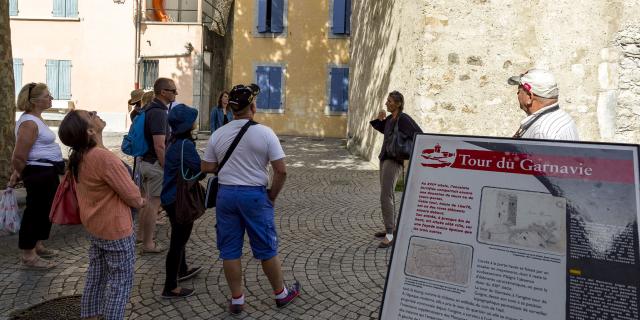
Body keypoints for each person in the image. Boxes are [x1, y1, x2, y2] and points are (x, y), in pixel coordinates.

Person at [202, 84, 300, 315]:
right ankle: (280, 294)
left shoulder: (219, 133)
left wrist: (229, 168)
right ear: (253, 106)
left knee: (229, 250)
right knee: (266, 248)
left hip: (226, 195)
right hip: (254, 196)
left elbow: (206, 166)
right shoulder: (265, 133)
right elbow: (281, 170)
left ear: (232, 108)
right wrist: (271, 196)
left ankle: (237, 299)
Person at [58, 109, 145, 320]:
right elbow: (133, 197)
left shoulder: (81, 156)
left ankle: (90, 315)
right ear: (89, 130)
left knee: (96, 277)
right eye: (89, 115)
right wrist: (143, 202)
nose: (94, 112)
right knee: (119, 283)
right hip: (115, 228)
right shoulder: (103, 158)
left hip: (94, 225)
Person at [9, 83, 63, 269]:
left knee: (44, 210)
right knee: (34, 211)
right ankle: (28, 254)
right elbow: (18, 155)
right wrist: (25, 174)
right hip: (38, 172)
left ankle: (37, 245)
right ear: (34, 101)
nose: (51, 98)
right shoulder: (29, 123)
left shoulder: (35, 118)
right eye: (47, 95)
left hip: (46, 171)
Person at [159, 104, 203, 298]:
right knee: (178, 242)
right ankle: (170, 287)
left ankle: (182, 269)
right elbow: (200, 170)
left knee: (179, 236)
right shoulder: (185, 145)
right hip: (179, 198)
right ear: (187, 124)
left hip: (169, 196)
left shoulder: (173, 141)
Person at [369, 91, 423, 248]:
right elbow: (383, 131)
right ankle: (390, 228)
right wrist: (380, 119)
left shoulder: (403, 119)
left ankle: (390, 234)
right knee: (386, 194)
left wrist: (406, 152)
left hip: (394, 161)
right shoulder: (390, 120)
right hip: (384, 158)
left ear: (399, 103)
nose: (387, 103)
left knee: (386, 196)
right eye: (387, 100)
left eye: (390, 101)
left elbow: (419, 134)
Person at [137, 77, 178, 254]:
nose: (176, 93)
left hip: (146, 162)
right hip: (155, 164)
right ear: (163, 92)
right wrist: (166, 167)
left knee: (147, 203)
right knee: (153, 205)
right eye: (173, 90)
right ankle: (148, 243)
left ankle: (140, 236)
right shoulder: (159, 112)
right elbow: (159, 145)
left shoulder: (150, 108)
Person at [507, 69, 579, 140]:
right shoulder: (563, 117)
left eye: (519, 90)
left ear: (529, 96)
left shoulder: (540, 133)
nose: (517, 94)